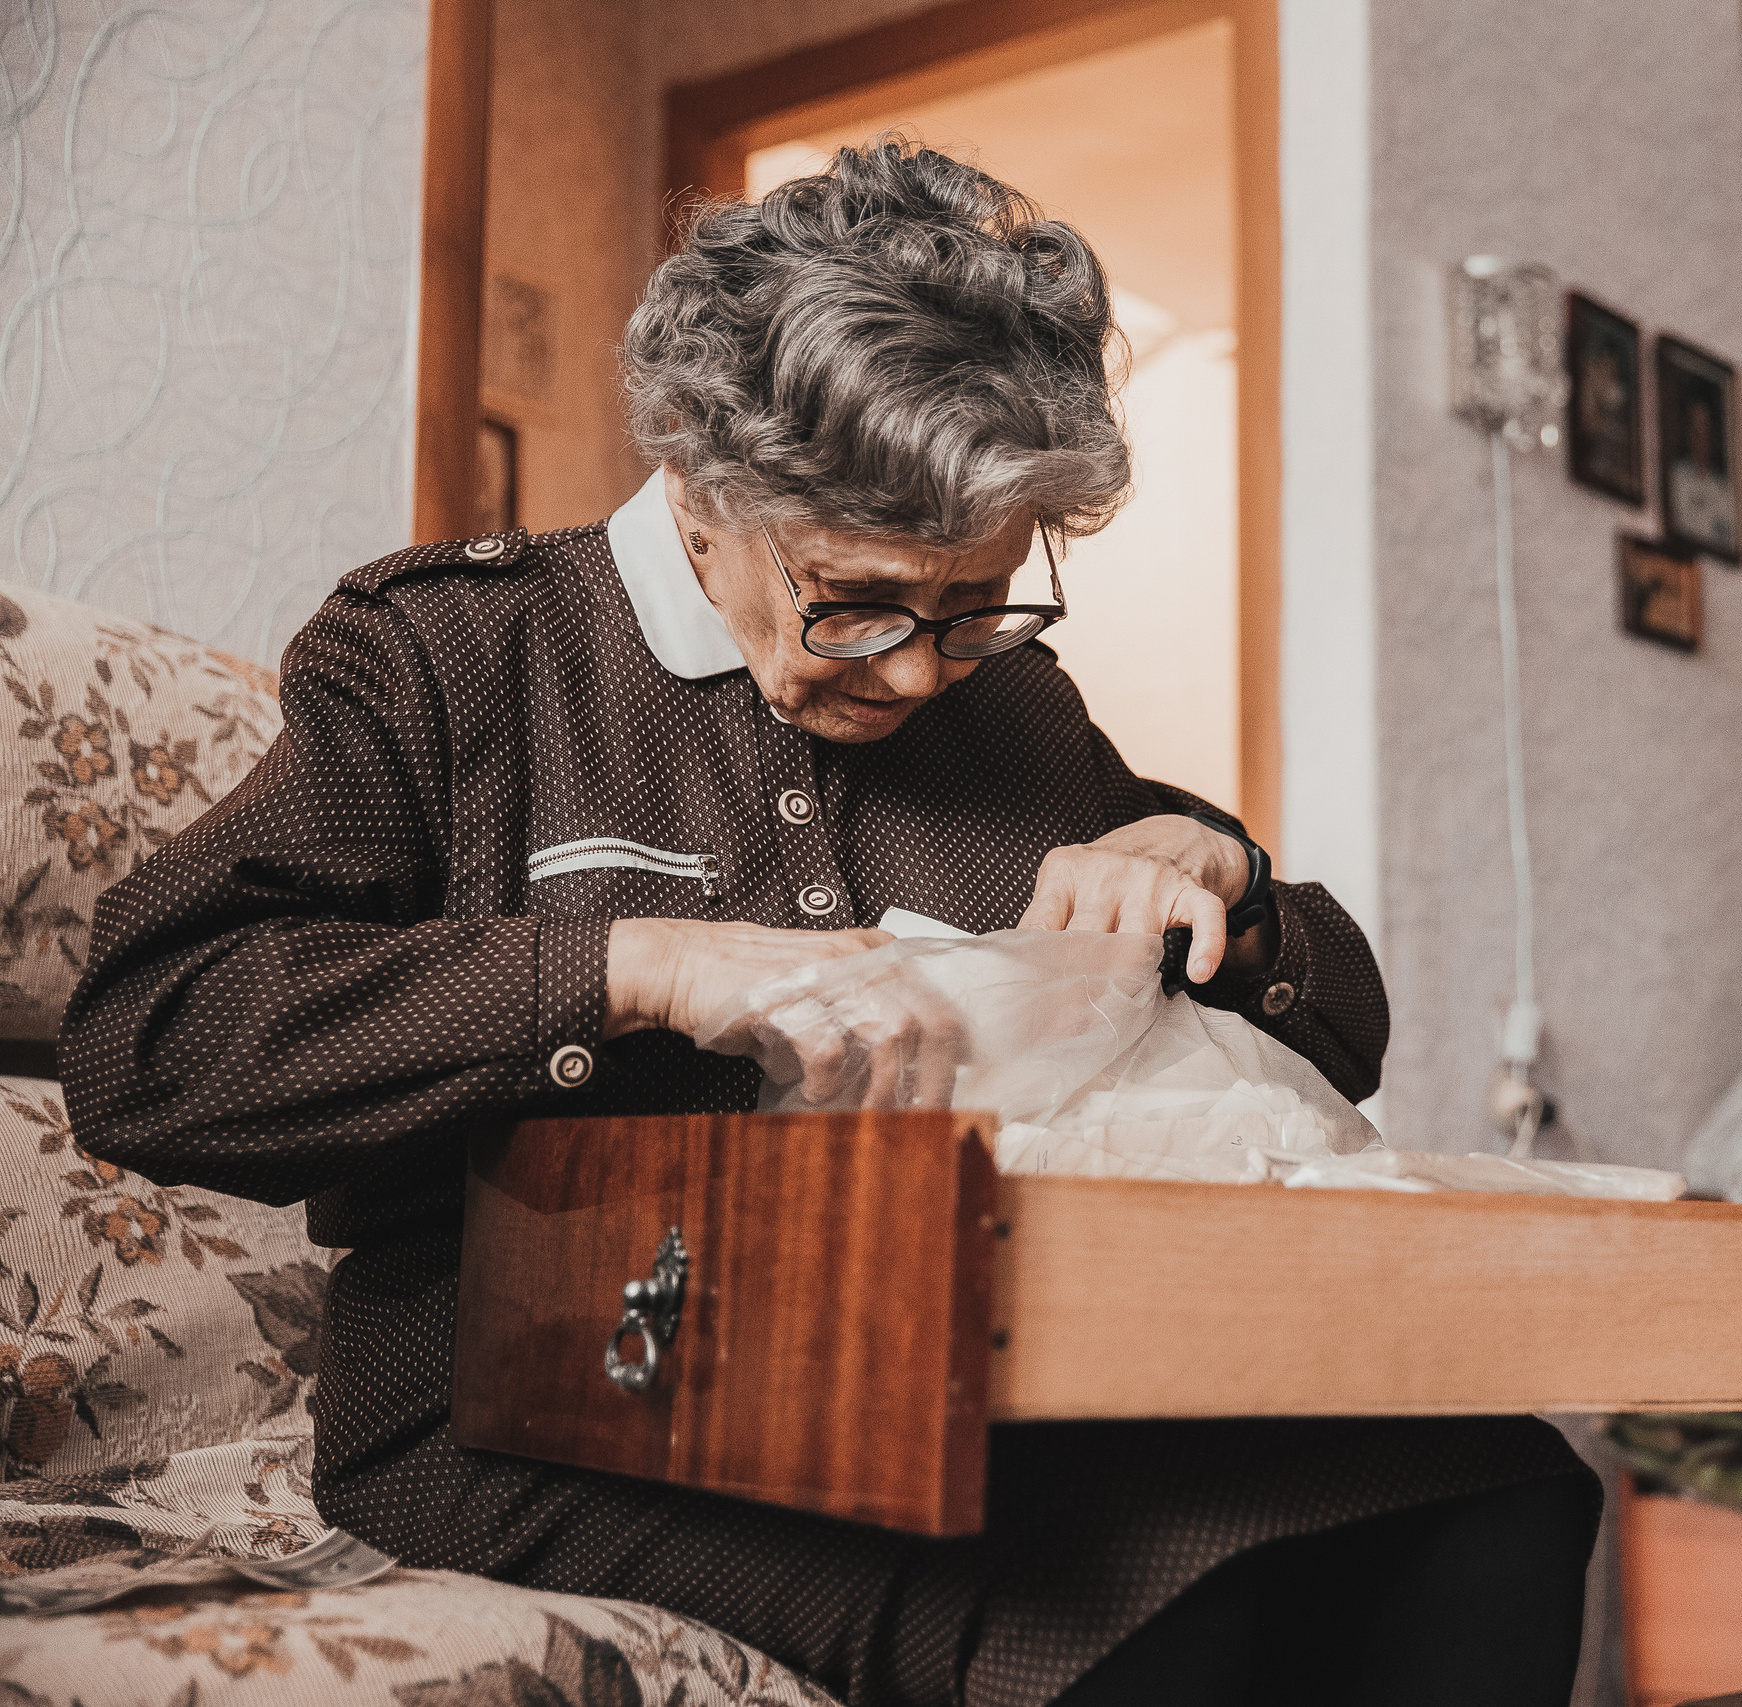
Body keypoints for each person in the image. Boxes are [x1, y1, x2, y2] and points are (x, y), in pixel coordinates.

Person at [58, 143, 1598, 1706]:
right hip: (526, 1411)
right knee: (1142, 1604)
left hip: (941, 1382)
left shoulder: (1011, 711)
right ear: (699, 489)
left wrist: (1225, 892)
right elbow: (150, 1040)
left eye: (978, 602)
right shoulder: (453, 655)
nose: (923, 671)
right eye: (857, 601)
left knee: (1498, 1487)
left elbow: (1349, 1034)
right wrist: (631, 965)